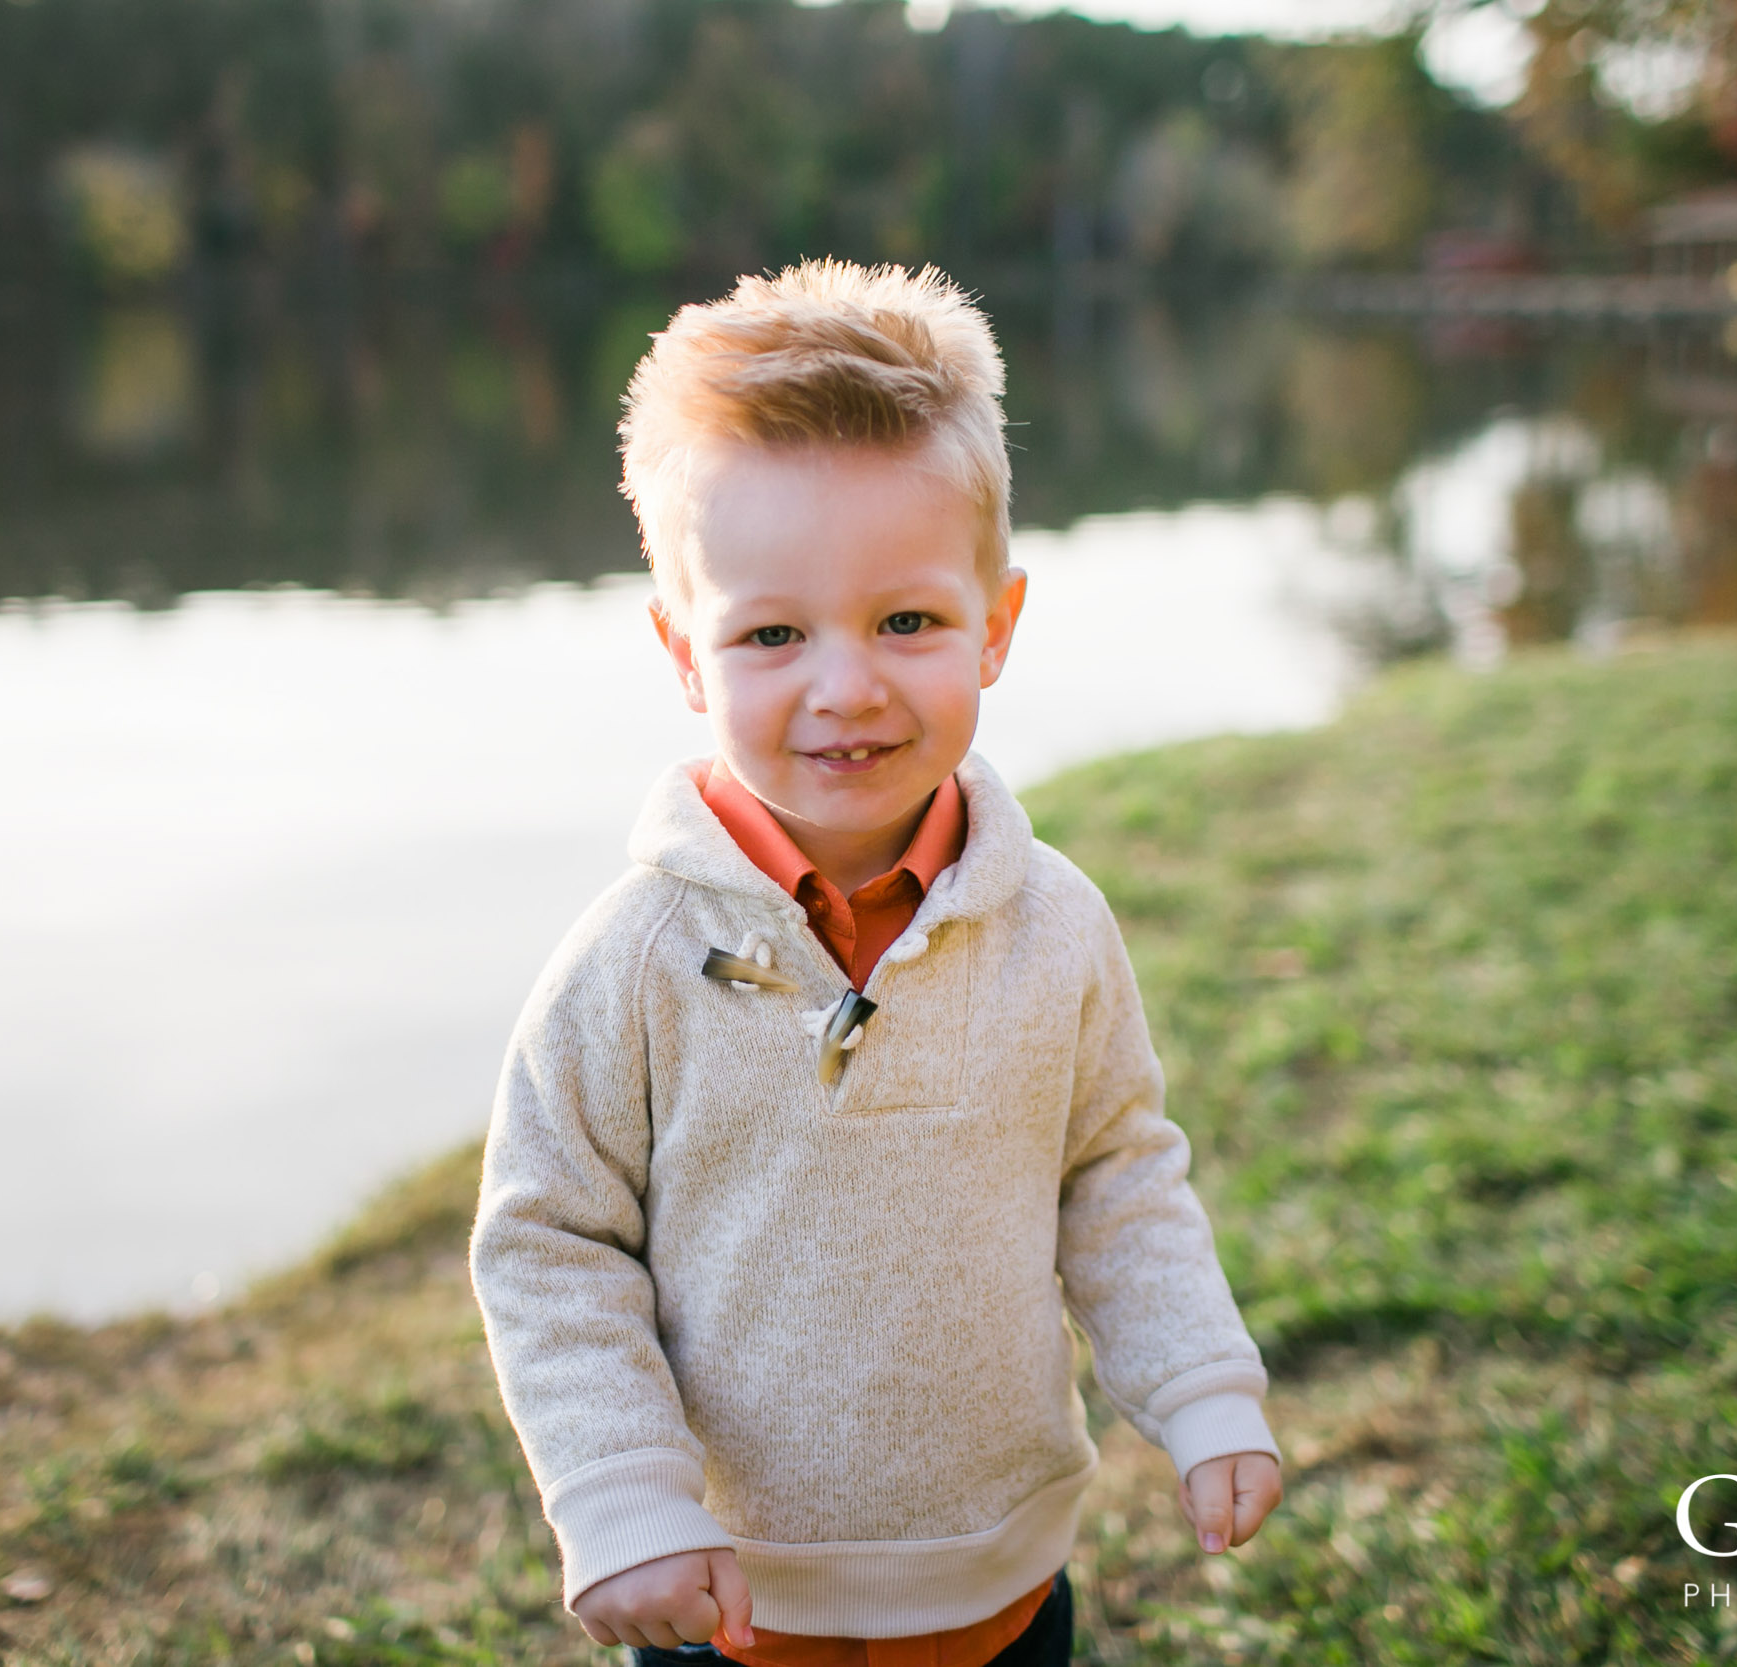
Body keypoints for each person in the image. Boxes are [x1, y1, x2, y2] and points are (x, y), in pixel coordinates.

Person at [469, 258, 1282, 1667]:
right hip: (730, 1602)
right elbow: (550, 1243)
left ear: (998, 628)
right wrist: (621, 1499)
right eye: (773, 635)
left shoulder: (1059, 926)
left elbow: (1118, 1175)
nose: (846, 687)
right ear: (684, 654)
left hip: (995, 1584)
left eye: (906, 622)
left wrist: (1201, 1387)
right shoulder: (636, 962)